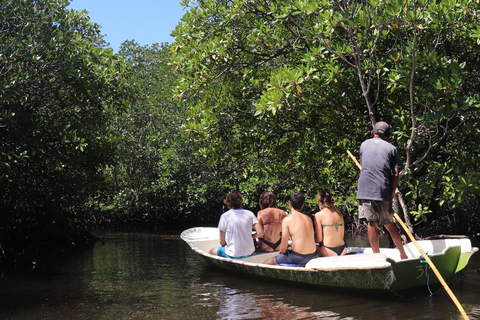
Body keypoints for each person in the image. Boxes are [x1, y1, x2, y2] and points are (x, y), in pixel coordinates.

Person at [356, 121, 408, 259]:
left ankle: (376, 256)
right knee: (388, 223)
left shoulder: (363, 144)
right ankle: (403, 255)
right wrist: (392, 193)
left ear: (373, 133)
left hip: (365, 188)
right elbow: (396, 173)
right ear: (388, 136)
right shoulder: (392, 148)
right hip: (382, 188)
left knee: (371, 222)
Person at [263, 192, 317, 266]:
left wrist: (282, 251)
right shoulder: (308, 218)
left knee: (266, 263)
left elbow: (283, 248)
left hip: (298, 257)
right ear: (302, 205)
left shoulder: (287, 220)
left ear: (290, 204)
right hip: (313, 255)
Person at [209, 191, 264, 259]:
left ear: (228, 202)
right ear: (241, 201)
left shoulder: (225, 216)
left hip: (233, 255)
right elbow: (260, 233)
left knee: (211, 251)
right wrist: (252, 236)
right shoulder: (250, 214)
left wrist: (227, 248)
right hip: (250, 253)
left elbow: (221, 241)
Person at [314, 191, 347, 256]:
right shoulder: (339, 213)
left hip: (328, 250)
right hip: (343, 249)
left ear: (319, 201)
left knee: (311, 248)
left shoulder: (318, 215)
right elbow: (342, 235)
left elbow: (319, 239)